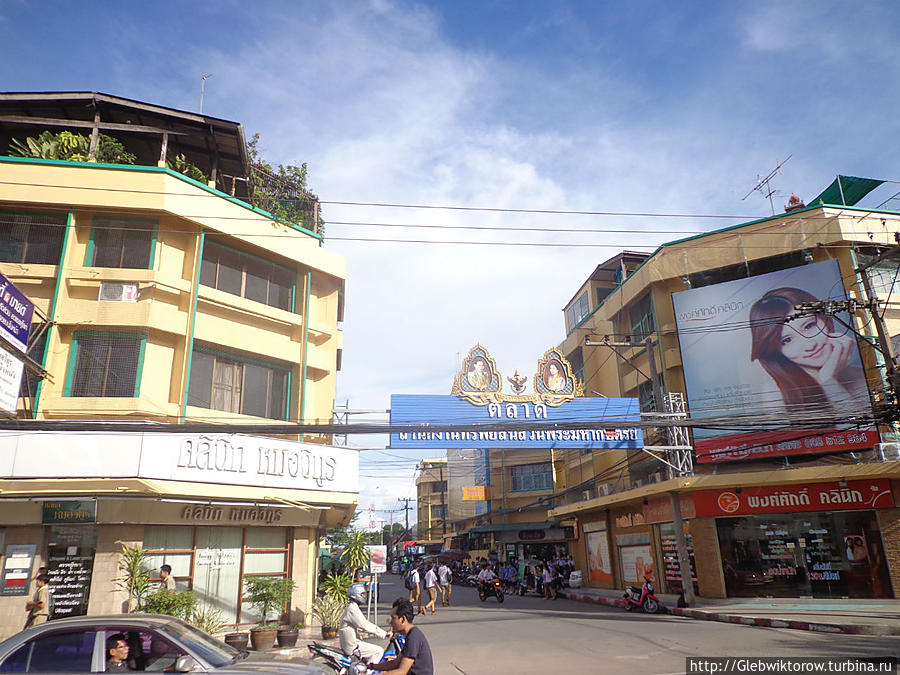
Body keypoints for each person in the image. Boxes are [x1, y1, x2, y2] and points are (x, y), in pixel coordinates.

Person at [749, 288, 868, 412]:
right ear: (776, 351)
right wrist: (828, 381)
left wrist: (828, 380)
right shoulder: (776, 393)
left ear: (824, 319)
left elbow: (867, 429)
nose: (809, 345)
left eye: (809, 326)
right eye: (787, 340)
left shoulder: (863, 377)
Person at [372, 599, 433, 675]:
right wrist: (371, 666)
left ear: (403, 619)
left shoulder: (413, 637)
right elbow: (395, 663)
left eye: (393, 618)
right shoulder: (410, 635)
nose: (391, 622)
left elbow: (402, 671)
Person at [340, 582, 390, 665]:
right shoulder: (352, 609)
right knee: (378, 651)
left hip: (352, 643)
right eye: (362, 594)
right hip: (352, 646)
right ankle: (369, 671)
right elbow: (364, 625)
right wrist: (384, 634)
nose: (364, 596)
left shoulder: (353, 607)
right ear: (356, 594)